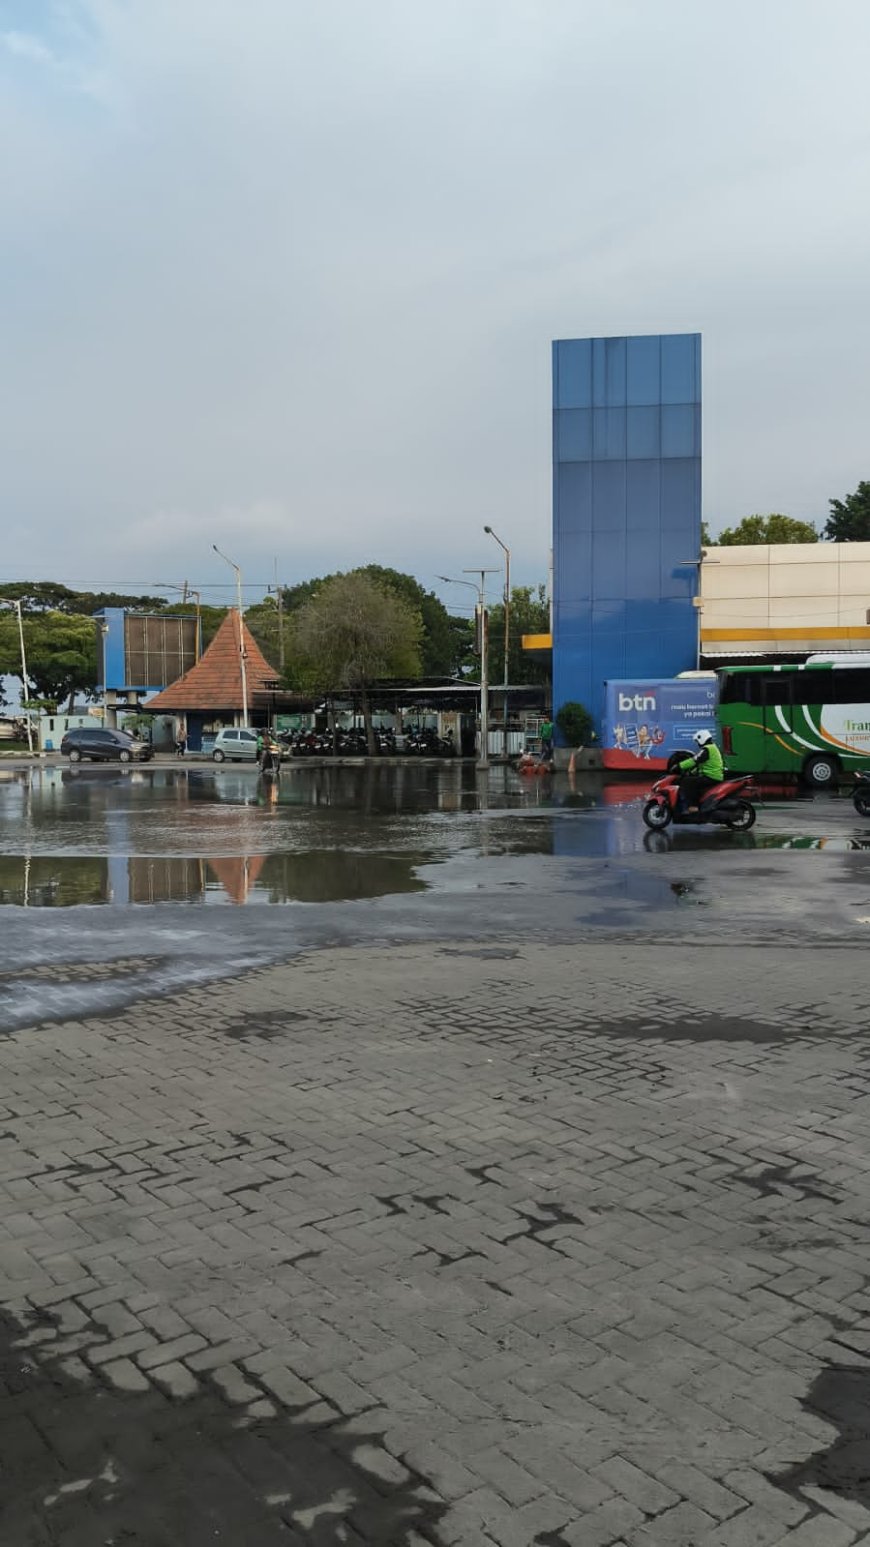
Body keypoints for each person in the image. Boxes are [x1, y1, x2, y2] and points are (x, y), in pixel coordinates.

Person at [677, 730, 724, 811]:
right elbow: (701, 765)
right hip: (713, 775)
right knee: (692, 780)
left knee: (687, 782)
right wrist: (691, 772)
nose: (697, 743)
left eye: (697, 741)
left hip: (711, 777)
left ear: (701, 739)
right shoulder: (712, 747)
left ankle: (694, 806)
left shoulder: (707, 749)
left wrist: (679, 766)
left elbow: (694, 760)